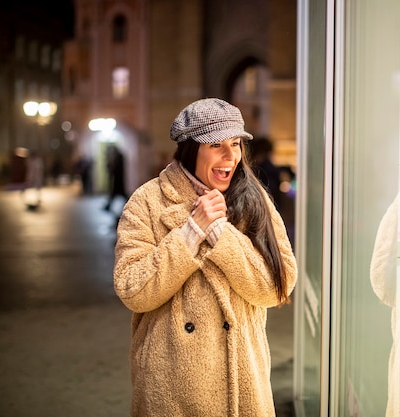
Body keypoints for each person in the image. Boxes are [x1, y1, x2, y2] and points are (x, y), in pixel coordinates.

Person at [113, 97, 297, 417]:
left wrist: (220, 234)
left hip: (242, 386)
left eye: (236, 144)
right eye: (217, 145)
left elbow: (275, 288)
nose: (231, 156)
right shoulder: (147, 201)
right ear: (191, 148)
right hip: (170, 386)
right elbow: (133, 290)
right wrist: (191, 233)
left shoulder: (255, 201)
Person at [103, 145, 128, 211]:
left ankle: (108, 206)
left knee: (118, 193)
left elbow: (117, 168)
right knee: (117, 194)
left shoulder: (119, 157)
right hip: (117, 179)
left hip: (118, 179)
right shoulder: (118, 157)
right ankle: (108, 206)